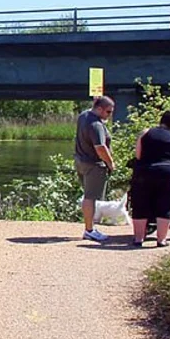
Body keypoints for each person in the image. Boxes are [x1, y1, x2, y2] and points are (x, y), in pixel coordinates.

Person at [129, 110, 170, 247]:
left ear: (161, 120)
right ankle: (161, 240)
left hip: (144, 171)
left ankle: (138, 239)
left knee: (140, 203)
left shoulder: (145, 133)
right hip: (167, 172)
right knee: (165, 204)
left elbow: (138, 155)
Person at [74, 95, 116, 242]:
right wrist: (110, 163)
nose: (109, 116)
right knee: (90, 197)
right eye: (108, 112)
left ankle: (89, 227)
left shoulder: (83, 116)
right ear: (99, 109)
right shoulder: (96, 125)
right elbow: (100, 148)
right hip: (93, 165)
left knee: (88, 196)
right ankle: (89, 230)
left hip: (80, 161)